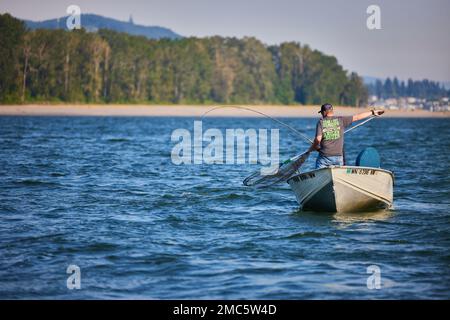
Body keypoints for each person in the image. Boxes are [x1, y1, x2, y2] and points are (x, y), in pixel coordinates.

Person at [308, 103, 384, 169]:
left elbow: (318, 140)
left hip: (325, 158)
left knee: (318, 164)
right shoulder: (341, 120)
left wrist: (313, 147)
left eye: (321, 113)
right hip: (339, 158)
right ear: (332, 111)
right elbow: (357, 117)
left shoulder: (321, 122)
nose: (321, 115)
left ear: (324, 112)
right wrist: (372, 112)